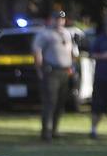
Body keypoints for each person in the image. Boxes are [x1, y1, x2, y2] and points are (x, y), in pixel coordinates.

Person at [32, 10, 75, 141]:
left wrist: (71, 67)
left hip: (65, 71)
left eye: (61, 19)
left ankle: (55, 130)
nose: (59, 21)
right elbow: (37, 51)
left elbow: (71, 51)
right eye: (56, 19)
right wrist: (39, 69)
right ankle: (46, 132)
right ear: (51, 20)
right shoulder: (45, 34)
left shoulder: (67, 33)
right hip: (51, 71)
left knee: (60, 102)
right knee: (50, 102)